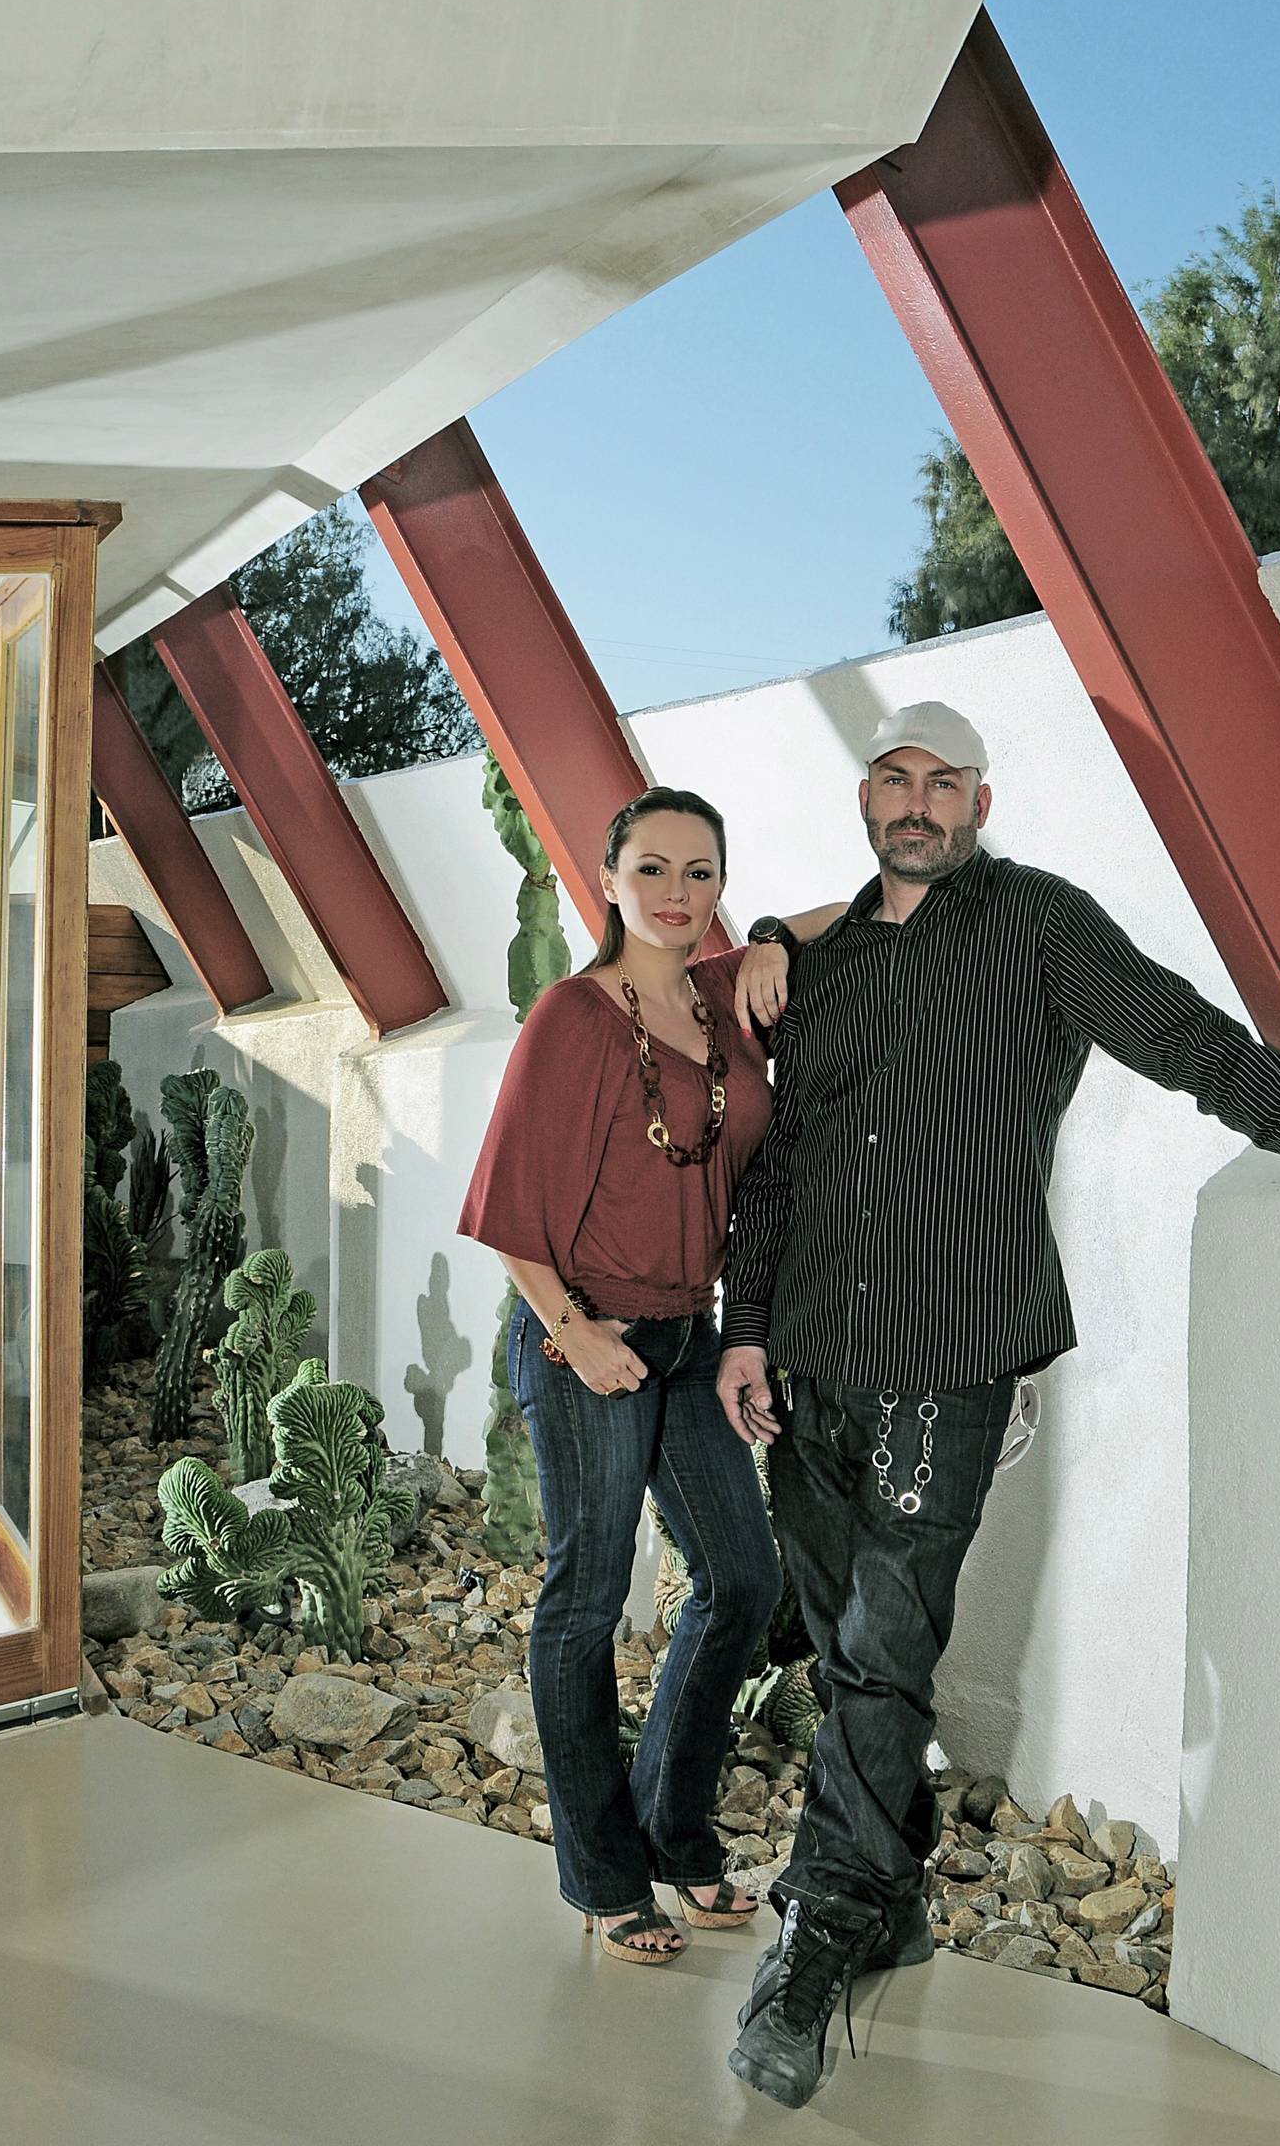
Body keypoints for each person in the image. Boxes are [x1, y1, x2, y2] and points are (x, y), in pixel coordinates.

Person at [716, 699, 1280, 2108]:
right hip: (808, 1355)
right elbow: (776, 1164)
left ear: (980, 806)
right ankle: (891, 1888)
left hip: (950, 1356)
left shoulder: (1036, 926)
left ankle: (814, 1940)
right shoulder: (808, 964)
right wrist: (741, 1330)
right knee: (846, 1645)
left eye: (945, 781)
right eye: (894, 778)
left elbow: (1182, 1037)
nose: (917, 802)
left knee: (882, 1649)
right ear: (866, 800)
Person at [458, 786, 837, 1964]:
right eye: (654, 870)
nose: (678, 894)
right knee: (584, 1597)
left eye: (702, 873)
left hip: (686, 1333)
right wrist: (570, 1328)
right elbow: (506, 1199)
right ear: (608, 878)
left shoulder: (725, 997)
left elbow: (861, 913)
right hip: (587, 1337)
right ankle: (603, 1874)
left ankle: (675, 1833)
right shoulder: (571, 1015)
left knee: (737, 1575)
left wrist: (768, 933)